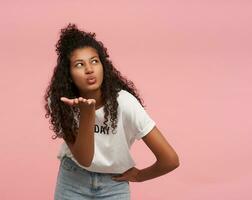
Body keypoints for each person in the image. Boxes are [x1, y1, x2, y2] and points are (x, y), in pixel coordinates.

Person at [44, 23, 179, 200]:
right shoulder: (62, 102)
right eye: (79, 64)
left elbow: (170, 159)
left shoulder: (125, 103)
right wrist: (87, 114)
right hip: (73, 179)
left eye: (94, 61)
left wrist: (139, 176)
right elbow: (84, 159)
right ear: (68, 74)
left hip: (114, 185)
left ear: (103, 65)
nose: (89, 69)